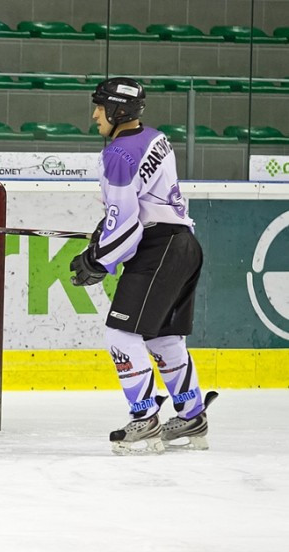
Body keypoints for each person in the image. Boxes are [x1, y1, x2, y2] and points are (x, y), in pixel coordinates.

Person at [71, 77, 216, 455]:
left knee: (121, 335)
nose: (94, 116)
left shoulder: (117, 155)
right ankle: (191, 414)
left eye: (99, 109)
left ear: (118, 111)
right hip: (184, 245)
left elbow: (126, 226)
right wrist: (107, 233)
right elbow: (137, 207)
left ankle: (145, 418)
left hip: (158, 249)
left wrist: (97, 259)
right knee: (163, 338)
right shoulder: (156, 137)